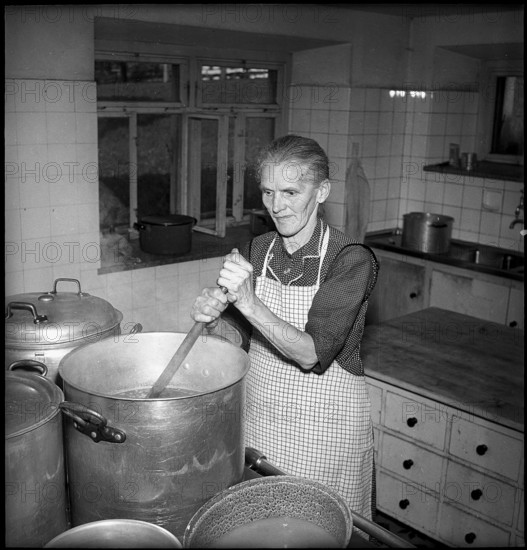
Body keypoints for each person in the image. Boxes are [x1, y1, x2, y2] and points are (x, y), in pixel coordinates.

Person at [191, 134, 379, 531]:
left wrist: (247, 301)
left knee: (318, 531)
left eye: (291, 192)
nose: (277, 206)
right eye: (268, 192)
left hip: (325, 428)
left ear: (322, 191)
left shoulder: (350, 260)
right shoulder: (258, 249)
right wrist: (212, 322)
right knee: (260, 528)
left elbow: (312, 353)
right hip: (262, 419)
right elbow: (242, 342)